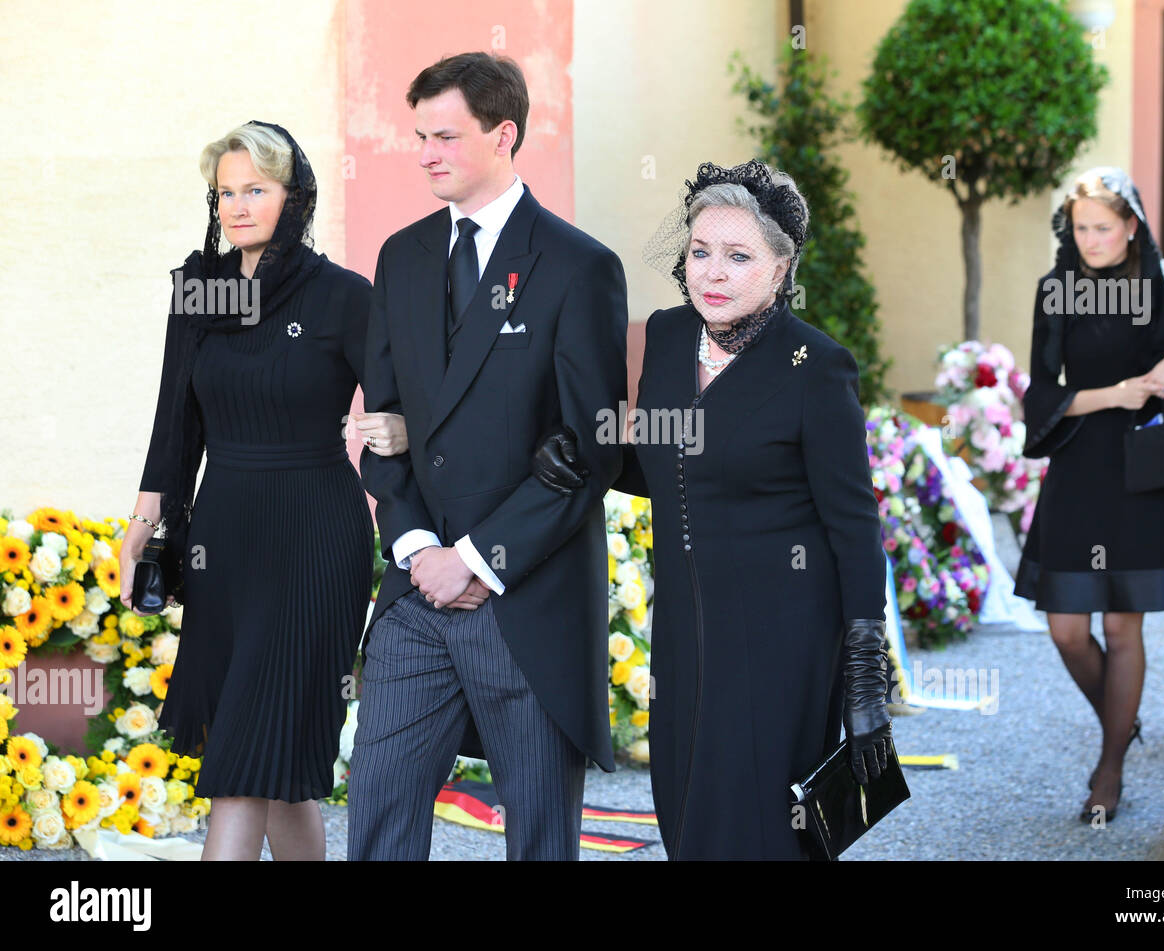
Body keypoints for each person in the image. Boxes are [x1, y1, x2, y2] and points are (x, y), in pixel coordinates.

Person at [534, 160, 893, 860]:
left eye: (738, 256)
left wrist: (866, 679)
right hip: (683, 633)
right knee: (684, 811)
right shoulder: (667, 337)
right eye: (701, 252)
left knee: (758, 830)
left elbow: (855, 528)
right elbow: (674, 465)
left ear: (781, 266)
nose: (713, 273)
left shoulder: (817, 367)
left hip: (783, 637)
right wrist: (587, 458)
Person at [347, 52, 628, 862]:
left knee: (540, 836)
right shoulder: (400, 256)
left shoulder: (580, 267)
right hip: (412, 593)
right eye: (418, 136)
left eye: (445, 134)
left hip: (525, 600)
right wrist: (415, 547)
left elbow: (589, 446)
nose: (426, 152)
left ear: (503, 134)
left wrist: (474, 558)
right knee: (379, 814)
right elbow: (384, 420)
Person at [123, 121, 407, 860]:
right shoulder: (199, 290)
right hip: (224, 541)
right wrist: (143, 526)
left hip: (313, 542)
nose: (238, 206)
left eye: (256, 189)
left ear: (294, 195)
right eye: (226, 192)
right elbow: (173, 424)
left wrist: (401, 432)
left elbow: (406, 404)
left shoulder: (345, 295)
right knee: (274, 772)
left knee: (241, 772)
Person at [1014, 167, 1164, 822]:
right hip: (1078, 460)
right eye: (1081, 227)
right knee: (1066, 628)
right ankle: (1122, 720)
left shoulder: (1156, 285)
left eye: (1103, 227)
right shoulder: (1054, 290)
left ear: (1131, 227)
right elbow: (1041, 392)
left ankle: (1109, 766)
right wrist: (1116, 393)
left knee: (1121, 624)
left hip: (1137, 467)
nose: (1091, 239)